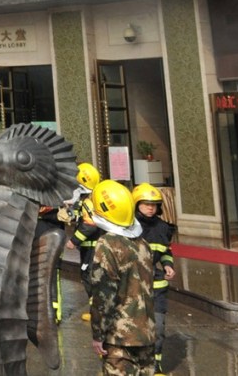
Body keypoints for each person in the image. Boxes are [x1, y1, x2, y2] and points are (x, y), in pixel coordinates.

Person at [86, 179, 156, 376]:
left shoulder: (107, 244)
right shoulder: (142, 244)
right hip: (146, 334)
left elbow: (103, 294)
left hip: (119, 336)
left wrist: (98, 334)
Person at [132, 183, 175, 375]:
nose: (150, 208)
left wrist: (168, 265)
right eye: (145, 204)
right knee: (134, 327)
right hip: (133, 285)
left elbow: (166, 251)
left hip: (157, 285)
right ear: (136, 205)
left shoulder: (163, 228)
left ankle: (155, 363)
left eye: (154, 204)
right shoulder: (129, 226)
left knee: (158, 326)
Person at [69, 161, 102, 322]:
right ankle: (95, 309)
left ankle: (96, 311)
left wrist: (74, 240)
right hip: (92, 246)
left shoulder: (89, 201)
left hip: (91, 247)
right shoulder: (90, 198)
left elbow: (90, 225)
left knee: (89, 276)